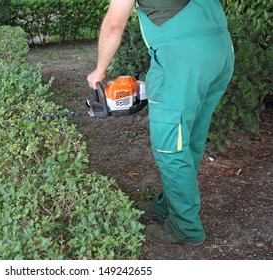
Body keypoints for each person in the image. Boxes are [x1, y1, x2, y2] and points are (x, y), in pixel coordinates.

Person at [87, 0, 234, 246]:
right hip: (220, 51)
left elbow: (114, 24)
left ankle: (184, 227)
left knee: (170, 145)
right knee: (189, 137)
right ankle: (168, 205)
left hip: (183, 60)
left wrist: (99, 70)